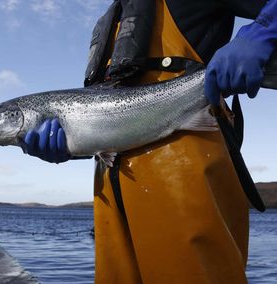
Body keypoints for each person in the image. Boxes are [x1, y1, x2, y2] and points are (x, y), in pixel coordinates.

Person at [23, 0, 277, 283]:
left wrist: (262, 33)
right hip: (111, 204)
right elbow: (106, 121)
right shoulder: (106, 24)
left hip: (186, 182)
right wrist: (70, 145)